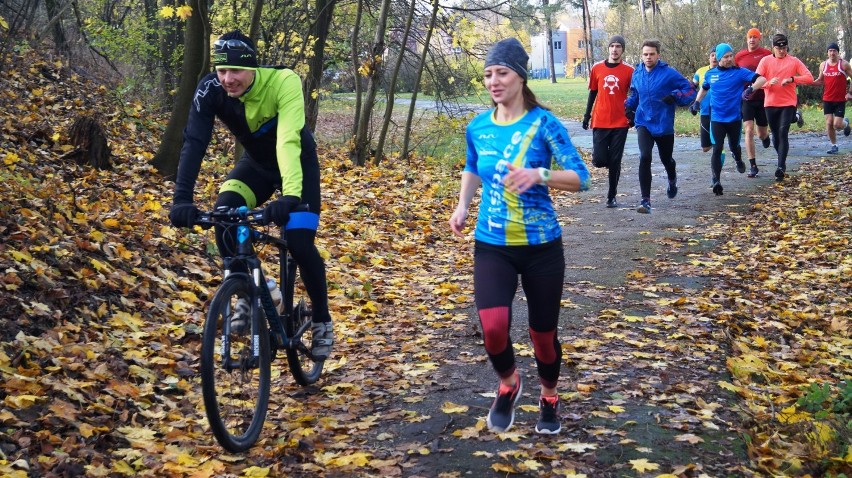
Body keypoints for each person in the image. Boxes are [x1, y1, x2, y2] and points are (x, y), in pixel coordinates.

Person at [448, 38, 590, 435]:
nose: (493, 81)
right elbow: (473, 166)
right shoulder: (478, 126)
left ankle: (549, 395)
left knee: (543, 336)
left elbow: (582, 178)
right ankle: (509, 383)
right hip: (492, 244)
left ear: (520, 76)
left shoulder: (543, 124)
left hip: (542, 247)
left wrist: (540, 175)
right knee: (492, 326)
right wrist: (463, 205)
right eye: (488, 74)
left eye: (502, 73)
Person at [168, 31, 334, 359]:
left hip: (297, 166)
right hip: (255, 168)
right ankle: (252, 290)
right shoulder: (210, 89)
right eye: (222, 70)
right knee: (225, 213)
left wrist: (290, 195)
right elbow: (194, 142)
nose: (228, 79)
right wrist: (182, 199)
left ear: (252, 69)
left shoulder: (283, 81)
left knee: (299, 242)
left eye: (236, 71)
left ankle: (321, 321)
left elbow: (288, 139)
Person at [624, 39, 696, 214]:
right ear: (642, 55)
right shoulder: (637, 72)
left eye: (652, 54)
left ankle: (672, 178)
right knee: (644, 157)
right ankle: (645, 200)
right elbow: (635, 93)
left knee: (667, 160)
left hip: (663, 124)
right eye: (645, 54)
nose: (648, 57)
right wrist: (629, 108)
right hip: (643, 122)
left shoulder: (669, 73)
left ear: (658, 55)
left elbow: (690, 90)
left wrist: (675, 96)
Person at [694, 43, 767, 195]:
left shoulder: (739, 72)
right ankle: (716, 181)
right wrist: (696, 102)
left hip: (734, 119)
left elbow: (762, 79)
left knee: (734, 146)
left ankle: (738, 159)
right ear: (719, 58)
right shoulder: (710, 74)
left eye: (730, 56)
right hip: (717, 119)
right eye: (725, 57)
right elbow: (704, 88)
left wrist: (750, 89)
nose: (729, 59)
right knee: (717, 148)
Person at [752, 33, 814, 180]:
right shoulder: (765, 61)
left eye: (784, 48)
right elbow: (756, 81)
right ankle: (796, 117)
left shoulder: (794, 61)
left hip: (788, 102)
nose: (782, 51)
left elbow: (809, 78)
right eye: (779, 48)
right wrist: (768, 83)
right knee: (775, 135)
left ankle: (781, 166)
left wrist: (793, 79)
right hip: (770, 103)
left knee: (782, 132)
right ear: (773, 48)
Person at [582, 35, 634, 208]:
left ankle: (611, 196)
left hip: (620, 121)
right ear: (608, 48)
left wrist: (632, 114)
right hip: (600, 119)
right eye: (612, 46)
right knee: (599, 160)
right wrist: (586, 115)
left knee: (615, 160)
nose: (615, 49)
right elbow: (592, 93)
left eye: (618, 46)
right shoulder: (597, 68)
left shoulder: (629, 71)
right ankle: (605, 162)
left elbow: (634, 95)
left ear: (622, 49)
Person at [734, 28, 772, 177]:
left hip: (763, 98)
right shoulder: (740, 56)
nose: (752, 40)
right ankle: (753, 165)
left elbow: (773, 71)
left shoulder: (767, 54)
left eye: (755, 37)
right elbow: (735, 74)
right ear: (746, 39)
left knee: (761, 133)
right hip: (747, 99)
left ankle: (765, 137)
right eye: (750, 37)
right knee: (748, 130)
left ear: (759, 39)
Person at [812, 42, 852, 154]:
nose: (832, 53)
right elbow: (820, 80)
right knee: (829, 122)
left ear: (838, 52)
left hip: (840, 99)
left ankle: (846, 124)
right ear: (827, 52)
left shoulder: (844, 65)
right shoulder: (823, 65)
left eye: (834, 50)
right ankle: (834, 145)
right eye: (830, 51)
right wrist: (807, 82)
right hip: (827, 98)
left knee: (837, 124)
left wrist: (850, 92)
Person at [690, 49, 718, 154]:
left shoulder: (724, 71)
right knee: (705, 148)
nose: (714, 57)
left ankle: (718, 161)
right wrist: (693, 103)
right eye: (712, 55)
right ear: (709, 57)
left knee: (718, 142)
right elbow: (692, 88)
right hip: (704, 110)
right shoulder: (700, 71)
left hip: (719, 110)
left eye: (716, 55)